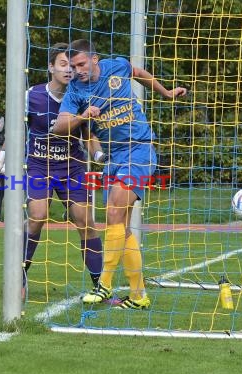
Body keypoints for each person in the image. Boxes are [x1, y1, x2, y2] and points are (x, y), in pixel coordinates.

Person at [54, 39, 187, 309]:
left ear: (95, 59)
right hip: (113, 159)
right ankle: (139, 297)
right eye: (72, 65)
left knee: (113, 212)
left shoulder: (117, 66)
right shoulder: (76, 91)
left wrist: (166, 93)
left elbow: (140, 74)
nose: (77, 70)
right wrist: (82, 117)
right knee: (121, 228)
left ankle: (104, 284)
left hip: (138, 150)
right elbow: (59, 126)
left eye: (81, 64)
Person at [23, 42, 104, 299]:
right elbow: (15, 129)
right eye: (63, 64)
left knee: (85, 221)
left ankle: (100, 285)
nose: (69, 70)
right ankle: (20, 277)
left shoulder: (81, 98)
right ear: (50, 67)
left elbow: (89, 136)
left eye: (72, 65)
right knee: (37, 215)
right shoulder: (31, 95)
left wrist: (100, 155)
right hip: (38, 165)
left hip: (72, 167)